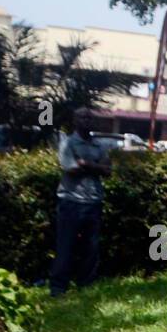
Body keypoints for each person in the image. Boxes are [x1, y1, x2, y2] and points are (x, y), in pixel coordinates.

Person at [50, 108, 111, 297]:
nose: (86, 120)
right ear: (74, 121)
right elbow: (70, 168)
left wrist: (87, 164)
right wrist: (95, 167)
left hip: (93, 201)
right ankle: (58, 288)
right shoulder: (68, 143)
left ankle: (87, 284)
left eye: (89, 118)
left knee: (90, 247)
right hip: (71, 201)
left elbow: (108, 171)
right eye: (82, 117)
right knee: (65, 246)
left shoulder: (99, 145)